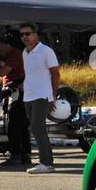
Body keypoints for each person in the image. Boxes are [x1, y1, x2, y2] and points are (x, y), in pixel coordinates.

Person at [19, 23, 60, 174]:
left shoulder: (46, 51)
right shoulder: (25, 52)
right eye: (22, 34)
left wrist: (53, 96)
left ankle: (46, 163)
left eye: (27, 33)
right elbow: (30, 74)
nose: (24, 37)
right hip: (28, 96)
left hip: (42, 95)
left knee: (37, 127)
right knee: (36, 129)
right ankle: (46, 162)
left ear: (36, 34)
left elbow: (56, 74)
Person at [0, 36, 30, 165]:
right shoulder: (10, 55)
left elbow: (1, 73)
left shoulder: (14, 54)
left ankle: (16, 154)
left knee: (14, 124)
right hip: (15, 90)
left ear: (0, 45)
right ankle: (24, 155)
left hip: (17, 90)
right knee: (22, 124)